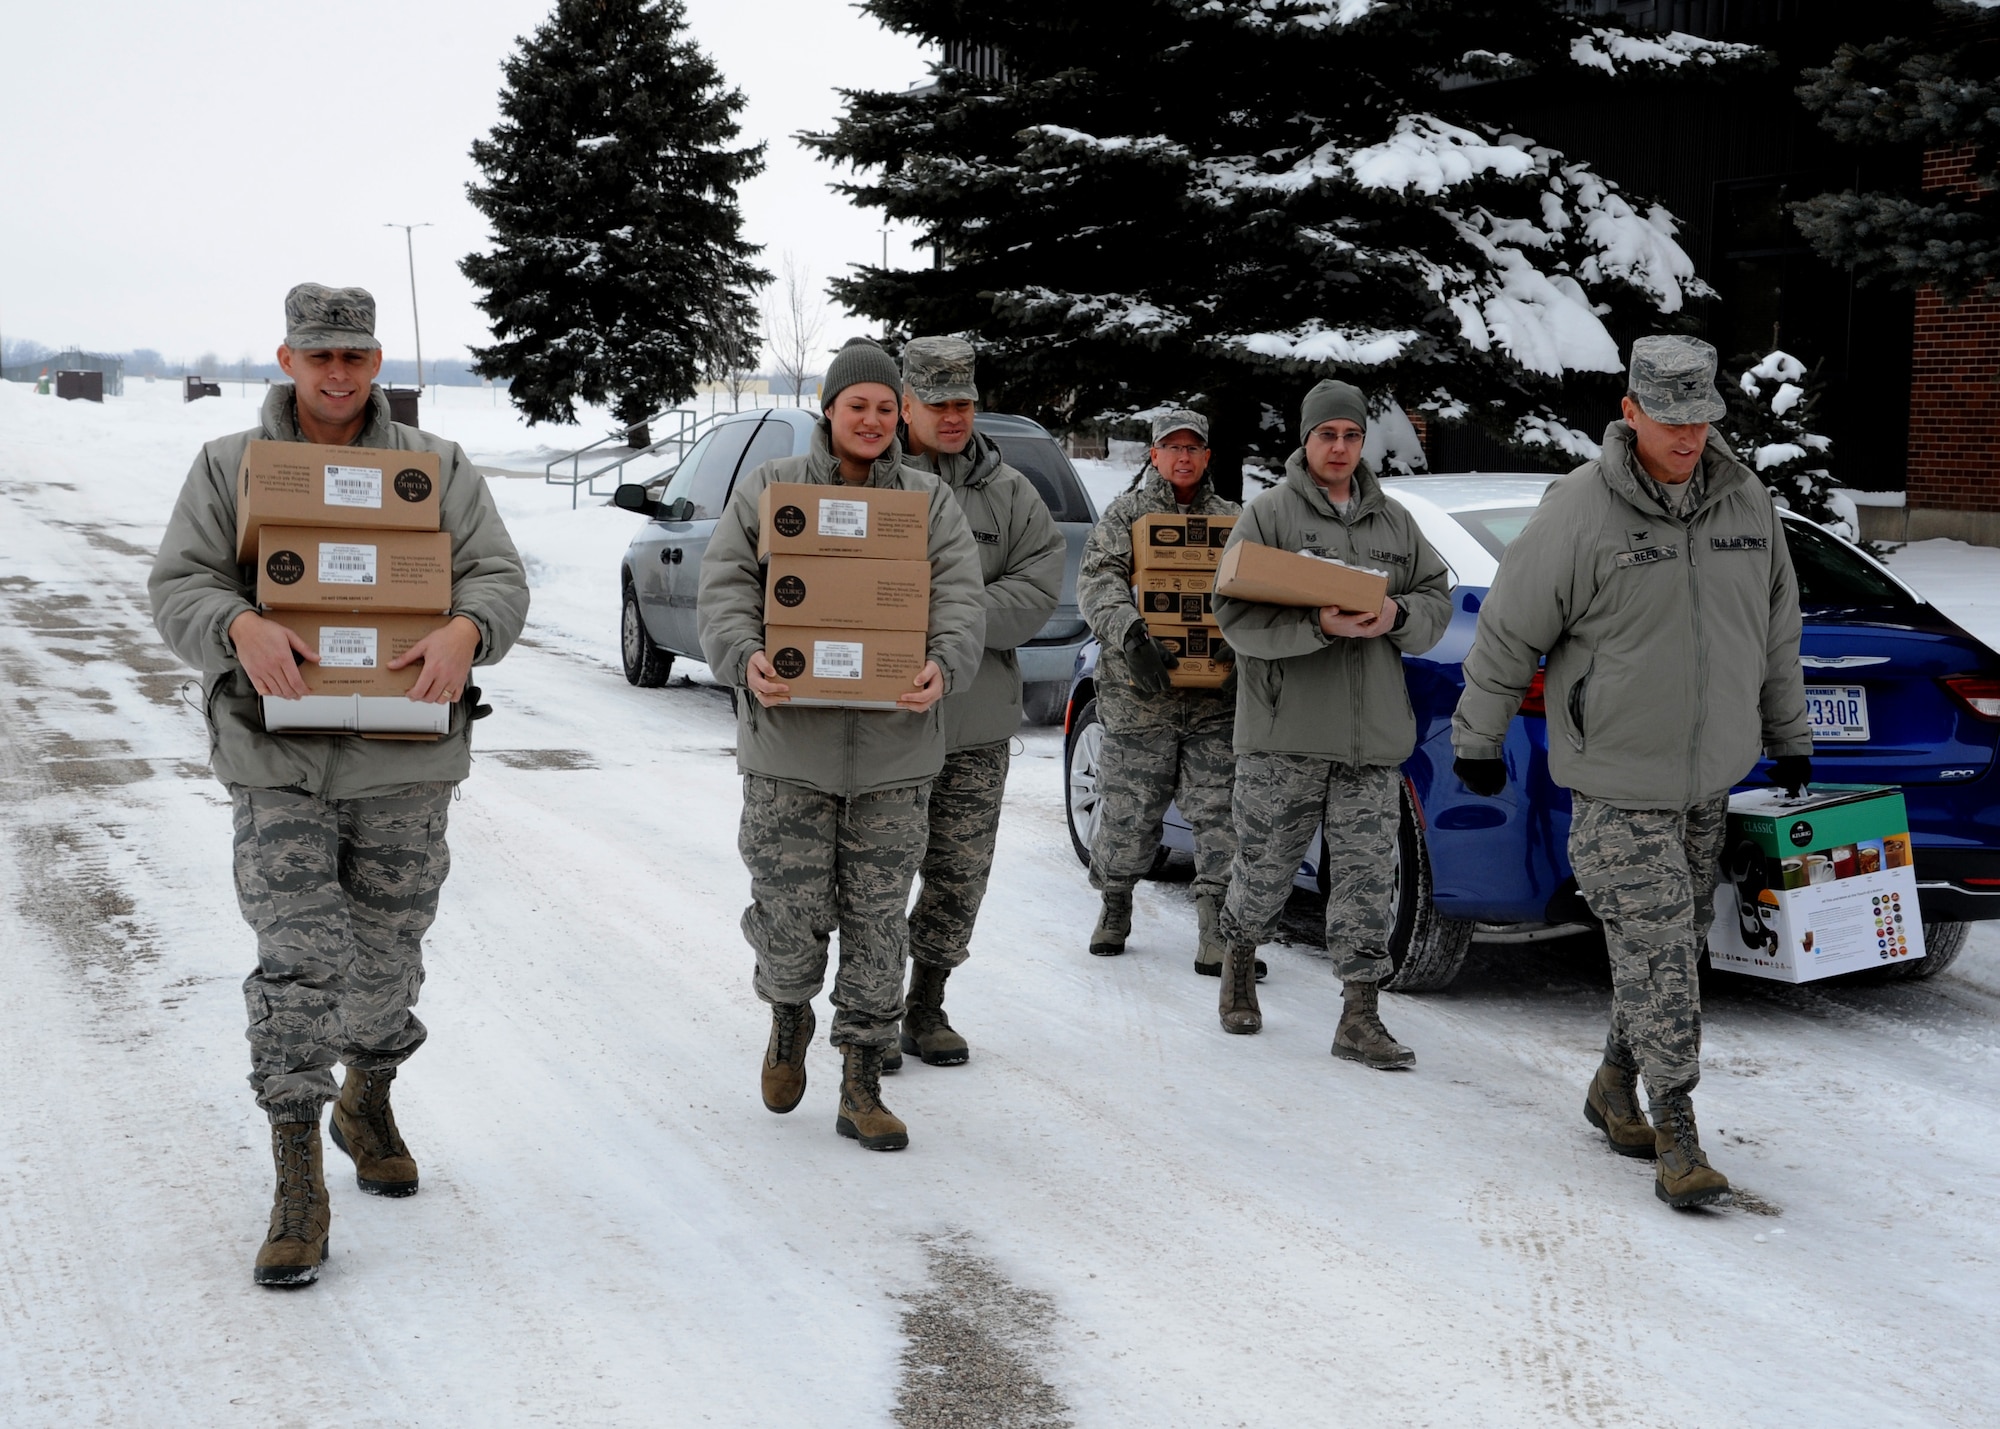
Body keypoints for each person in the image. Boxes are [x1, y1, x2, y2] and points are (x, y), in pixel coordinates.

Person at [148, 284, 530, 1286]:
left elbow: (496, 574)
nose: (337, 373)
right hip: (278, 758)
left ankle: (368, 1092)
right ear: (286, 359)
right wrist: (237, 627)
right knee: (296, 958)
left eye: (354, 355)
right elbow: (180, 582)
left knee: (387, 956)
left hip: (404, 757)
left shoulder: (434, 466)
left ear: (375, 361)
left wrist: (464, 629)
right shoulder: (231, 466)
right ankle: (297, 1177)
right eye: (319, 356)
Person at [1451, 335, 1811, 1208]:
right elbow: (1509, 627)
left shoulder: (1745, 501)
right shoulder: (1581, 508)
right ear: (1630, 412)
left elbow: (1775, 627)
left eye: (1702, 420)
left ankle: (1615, 1083)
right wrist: (1478, 735)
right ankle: (1676, 1128)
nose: (1688, 438)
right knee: (1656, 943)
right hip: (1614, 776)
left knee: (1675, 943)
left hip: (1706, 776)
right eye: (1670, 420)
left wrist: (1788, 731)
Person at [697, 337, 984, 1151]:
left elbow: (961, 597)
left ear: (901, 417)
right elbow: (725, 588)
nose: (872, 419)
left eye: (886, 407)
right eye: (857, 404)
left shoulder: (927, 502)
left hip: (895, 749)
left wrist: (943, 662)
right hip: (791, 743)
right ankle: (789, 1013)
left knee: (878, 916)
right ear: (830, 409)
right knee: (790, 909)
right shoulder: (771, 489)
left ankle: (862, 1075)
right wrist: (745, 655)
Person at [1209, 381, 1452, 1057]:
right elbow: (1235, 618)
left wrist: (1395, 616)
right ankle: (1237, 965)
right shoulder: (1268, 515)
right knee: (1262, 868)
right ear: (1305, 439)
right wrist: (1318, 622)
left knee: (1368, 880)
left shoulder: (1396, 523)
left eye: (1350, 435)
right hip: (1284, 737)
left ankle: (1359, 1014)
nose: (1339, 447)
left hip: (1370, 740)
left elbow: (1436, 598)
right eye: (1327, 435)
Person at [885, 337, 1065, 1070]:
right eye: (938, 404)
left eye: (964, 402)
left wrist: (943, 613)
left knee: (959, 873)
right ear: (906, 405)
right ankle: (871, 1005)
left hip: (976, 722)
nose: (954, 416)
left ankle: (927, 1002)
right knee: (878, 873)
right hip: (886, 718)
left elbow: (1037, 587)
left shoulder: (1010, 491)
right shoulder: (872, 478)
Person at [1075, 410, 1241, 969]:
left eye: (1194, 447)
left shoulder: (1234, 519)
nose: (1184, 457)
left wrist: (1236, 641)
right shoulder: (1126, 515)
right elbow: (1098, 581)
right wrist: (1131, 634)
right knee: (1129, 811)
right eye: (1173, 447)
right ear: (1154, 454)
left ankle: (1215, 925)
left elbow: (1251, 590)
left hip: (1214, 700)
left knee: (1221, 812)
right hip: (1139, 695)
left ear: (1207, 456)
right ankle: (1116, 901)